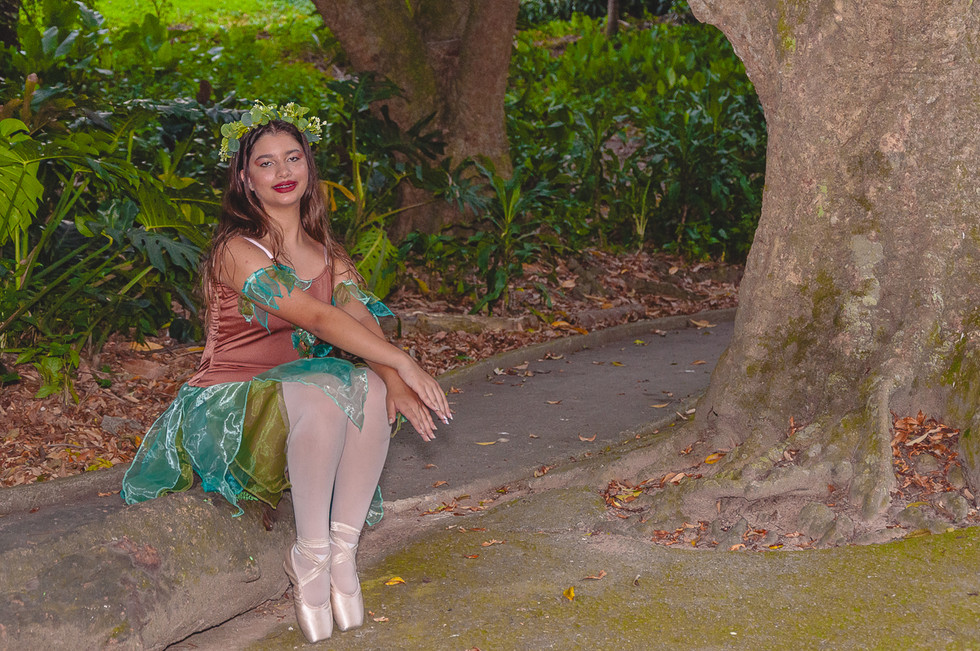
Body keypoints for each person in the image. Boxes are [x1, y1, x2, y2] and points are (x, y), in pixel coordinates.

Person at [120, 102, 452, 643]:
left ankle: (342, 550)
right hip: (226, 405)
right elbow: (316, 317)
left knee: (367, 386)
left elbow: (358, 316)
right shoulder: (236, 250)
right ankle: (310, 553)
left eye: (293, 158)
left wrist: (392, 377)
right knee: (326, 388)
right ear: (245, 180)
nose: (282, 171)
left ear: (309, 169)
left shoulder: (328, 254)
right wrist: (405, 362)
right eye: (266, 162)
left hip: (297, 398)